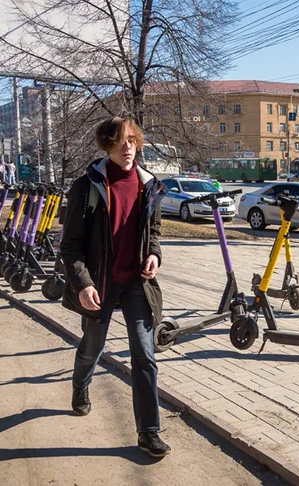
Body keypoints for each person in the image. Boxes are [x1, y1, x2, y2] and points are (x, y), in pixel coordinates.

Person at [60, 117, 170, 458]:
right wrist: (82, 284)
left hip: (138, 283)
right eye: (121, 141)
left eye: (133, 141)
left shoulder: (148, 184)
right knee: (92, 347)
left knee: (145, 356)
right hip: (100, 284)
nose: (128, 148)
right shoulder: (88, 186)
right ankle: (80, 385)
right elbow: (70, 245)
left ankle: (149, 432)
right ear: (106, 145)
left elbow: (155, 231)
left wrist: (154, 254)